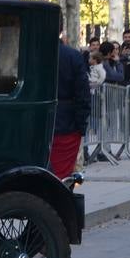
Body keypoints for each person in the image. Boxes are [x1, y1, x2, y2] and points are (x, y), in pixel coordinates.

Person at [50, 39, 90, 180]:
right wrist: (81, 124)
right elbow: (82, 93)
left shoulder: (27, 52)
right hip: (66, 123)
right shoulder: (72, 55)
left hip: (41, 123)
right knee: (61, 176)